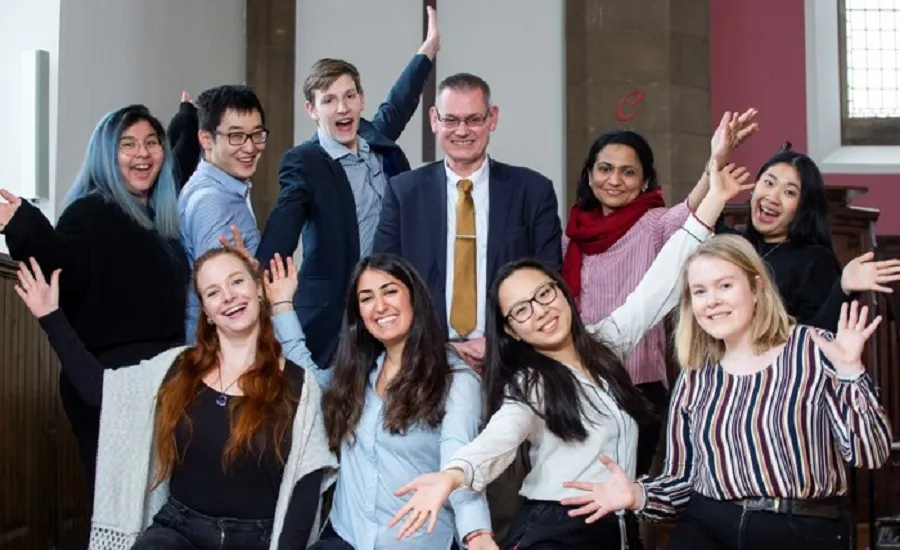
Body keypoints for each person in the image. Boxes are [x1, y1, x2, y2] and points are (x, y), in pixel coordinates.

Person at [383, 160, 755, 549]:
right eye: (522, 310)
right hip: (559, 530)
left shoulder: (604, 343)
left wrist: (715, 197)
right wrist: (453, 475)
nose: (540, 311)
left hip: (617, 527)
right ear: (512, 330)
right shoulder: (530, 385)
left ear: (561, 291)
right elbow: (499, 436)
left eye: (544, 293)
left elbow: (658, 283)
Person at [555, 234, 892, 550]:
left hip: (799, 526)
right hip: (710, 525)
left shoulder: (815, 349)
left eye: (725, 285)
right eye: (699, 291)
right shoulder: (695, 376)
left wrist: (850, 373)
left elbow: (871, 455)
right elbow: (682, 479)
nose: (711, 301)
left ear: (756, 288)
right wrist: (636, 495)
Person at [14, 248, 337, 550]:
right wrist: (50, 316)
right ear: (207, 312)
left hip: (257, 538)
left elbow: (304, 489)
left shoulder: (297, 384)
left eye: (236, 281)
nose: (228, 297)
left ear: (257, 288)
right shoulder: (177, 368)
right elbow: (99, 390)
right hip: (180, 532)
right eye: (213, 292)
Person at [560, 110, 757, 481]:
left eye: (628, 171)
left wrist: (715, 163)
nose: (614, 180)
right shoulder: (570, 238)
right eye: (604, 169)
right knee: (580, 491)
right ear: (589, 174)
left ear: (645, 180)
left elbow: (695, 213)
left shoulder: (654, 224)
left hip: (639, 387)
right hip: (581, 383)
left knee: (624, 491)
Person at [0, 104, 188, 492]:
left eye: (152, 143)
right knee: (117, 509)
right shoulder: (89, 212)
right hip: (107, 386)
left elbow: (182, 161)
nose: (142, 153)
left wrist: (186, 119)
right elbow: (62, 272)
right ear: (105, 154)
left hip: (165, 383)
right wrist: (25, 224)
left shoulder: (162, 224)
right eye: (128, 144)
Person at [265, 252, 497, 549]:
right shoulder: (357, 370)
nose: (380, 306)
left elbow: (460, 463)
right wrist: (282, 305)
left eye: (390, 291)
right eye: (366, 298)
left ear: (414, 298)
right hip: (346, 537)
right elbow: (308, 379)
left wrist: (476, 535)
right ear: (358, 314)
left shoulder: (455, 380)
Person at [256, 6, 441, 370]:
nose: (342, 107)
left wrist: (428, 50)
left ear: (361, 99)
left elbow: (399, 102)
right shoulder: (305, 161)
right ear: (312, 109)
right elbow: (287, 213)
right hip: (331, 319)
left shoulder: (376, 140)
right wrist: (259, 267)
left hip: (387, 308)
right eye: (329, 100)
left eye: (349, 96)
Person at [373, 72, 562, 372]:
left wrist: (501, 341)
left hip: (511, 363)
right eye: (451, 120)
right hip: (424, 363)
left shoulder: (533, 191)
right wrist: (434, 348)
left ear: (493, 118)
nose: (462, 131)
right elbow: (384, 281)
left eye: (473, 119)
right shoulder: (403, 193)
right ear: (434, 119)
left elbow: (549, 281)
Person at [717, 143, 900, 331]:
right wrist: (714, 170)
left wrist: (842, 288)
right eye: (769, 183)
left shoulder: (815, 260)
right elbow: (695, 223)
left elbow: (819, 337)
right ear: (754, 188)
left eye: (789, 192)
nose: (772, 197)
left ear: (803, 208)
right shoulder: (737, 245)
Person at [179, 85, 269, 342]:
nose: (250, 147)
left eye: (257, 135)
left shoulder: (223, 187)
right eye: (236, 136)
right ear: (206, 139)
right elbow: (223, 302)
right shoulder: (213, 203)